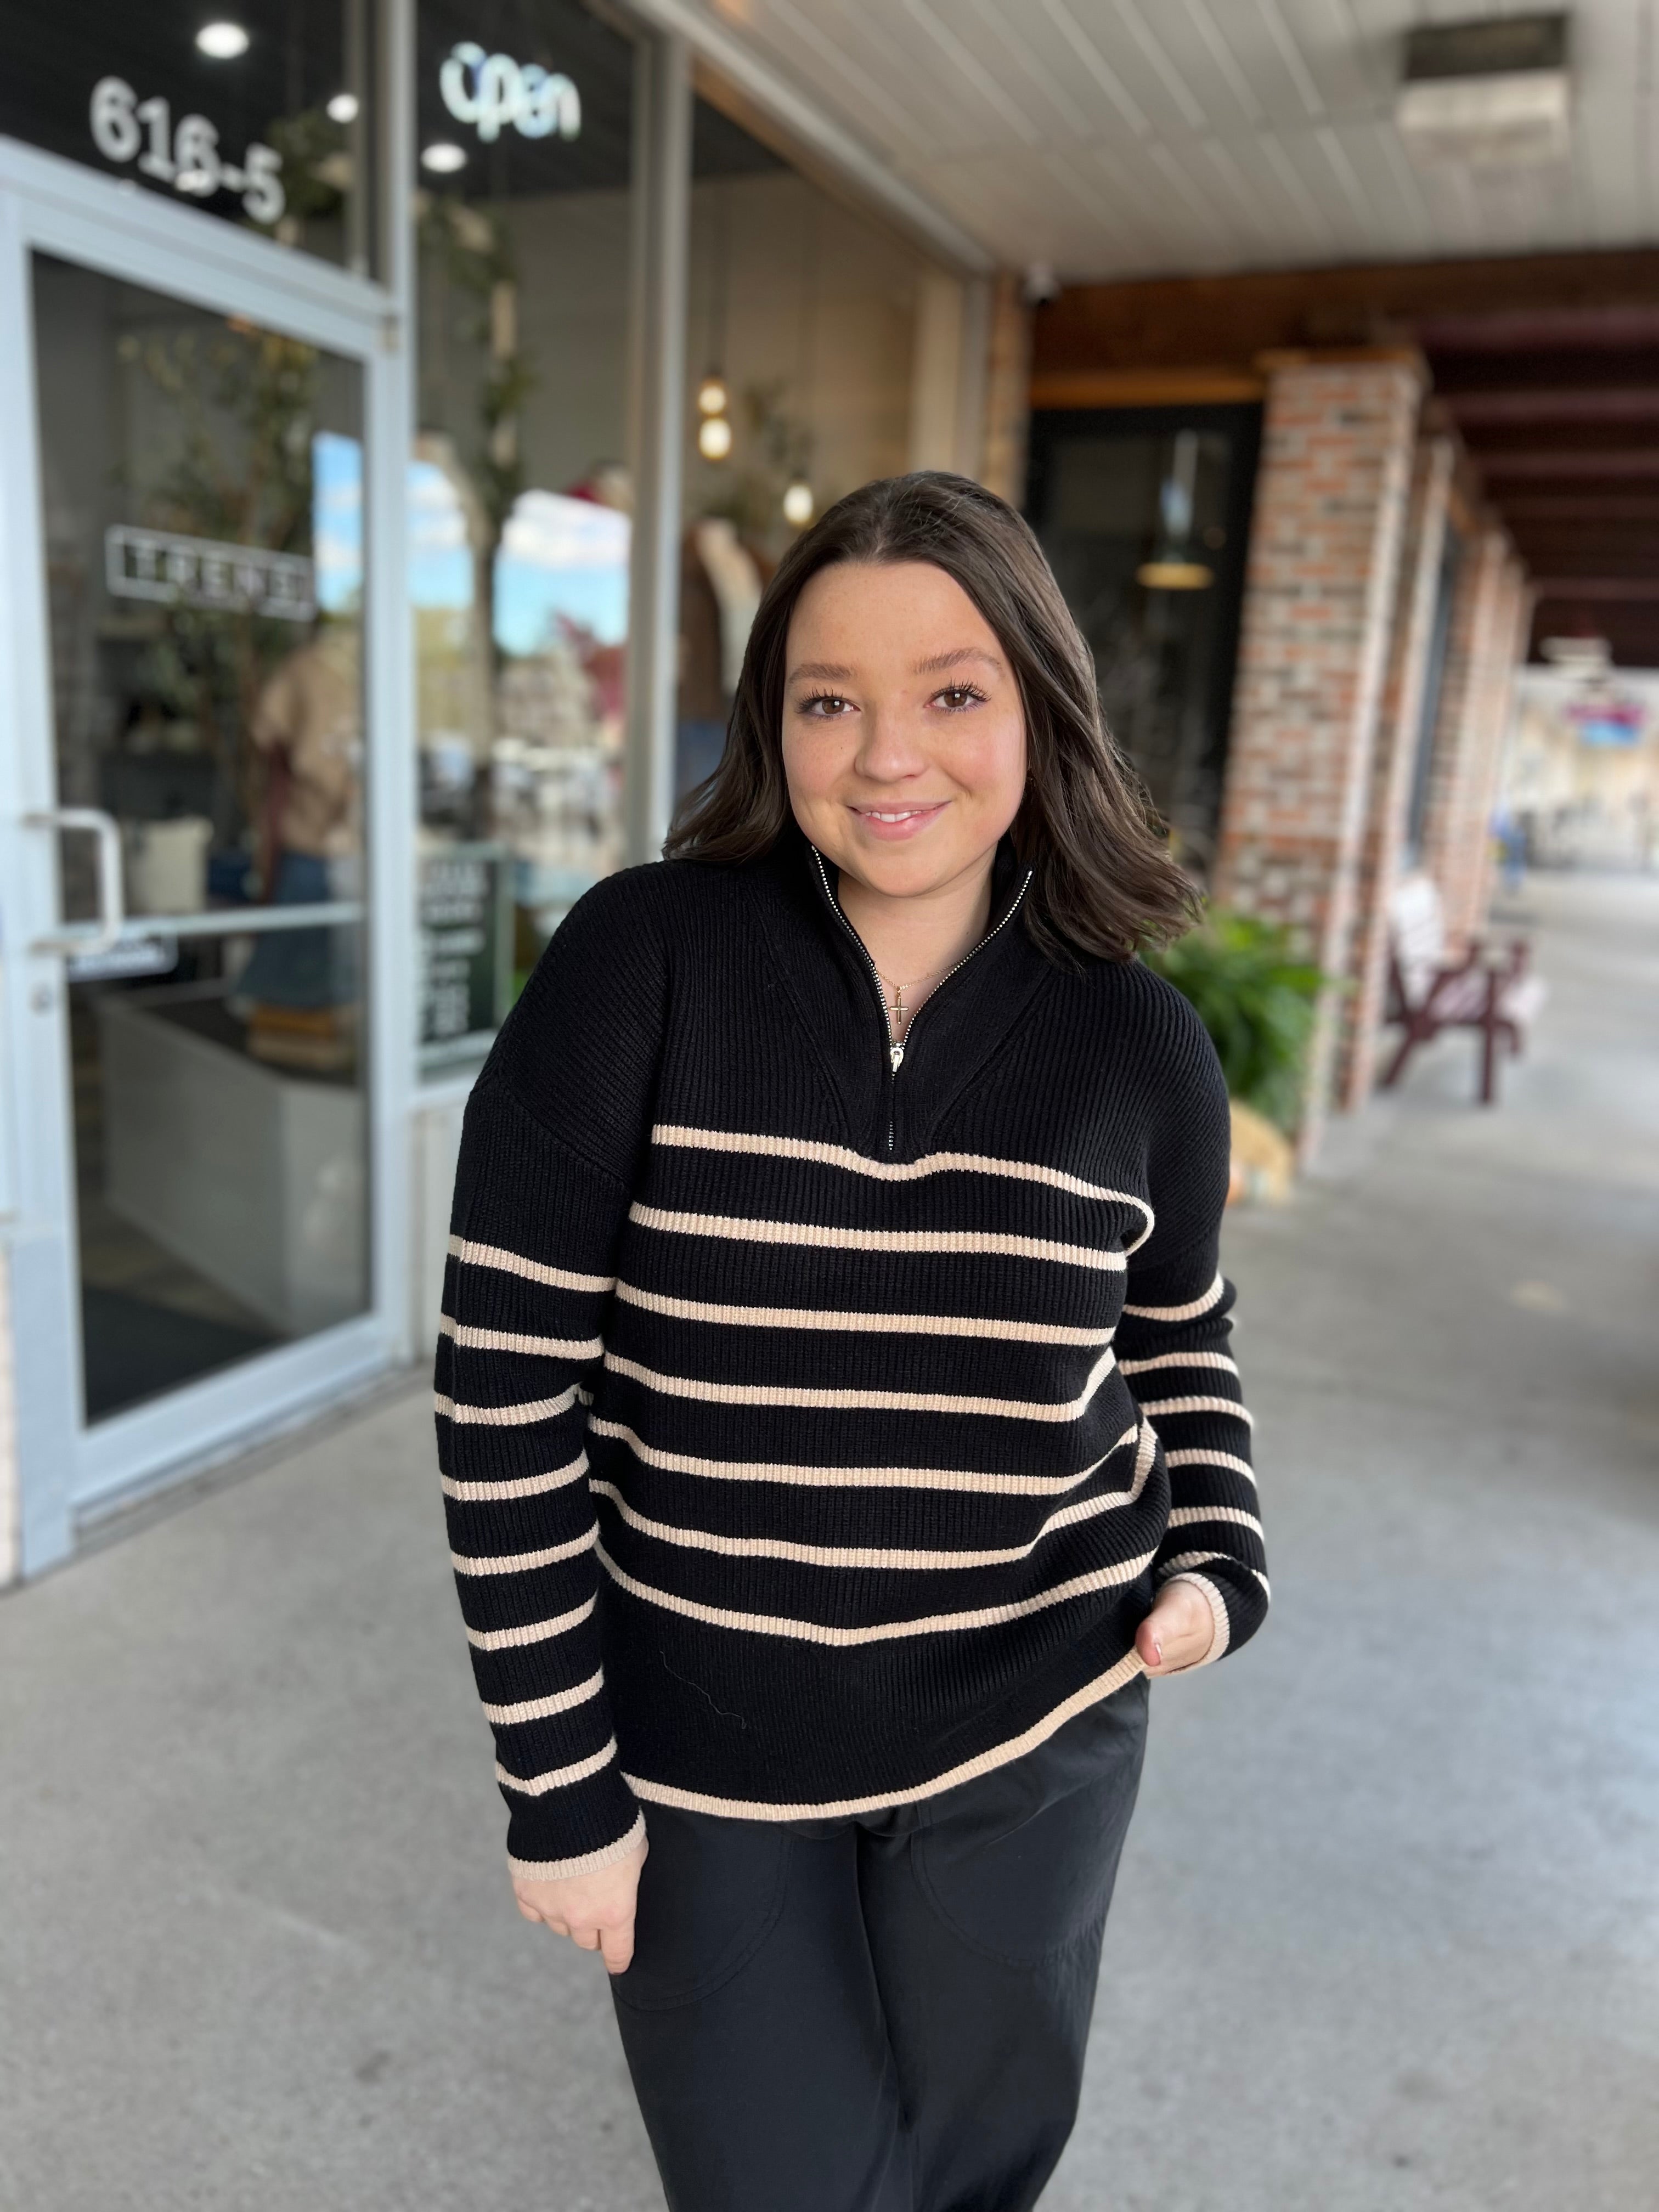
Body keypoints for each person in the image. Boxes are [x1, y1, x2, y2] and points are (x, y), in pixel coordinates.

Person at [436, 472, 1268, 2212]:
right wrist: (556, 1779)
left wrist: (1218, 1560)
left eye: (954, 695)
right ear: (773, 724)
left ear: (1040, 709)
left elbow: (1182, 1345)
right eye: (832, 701)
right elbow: (504, 1391)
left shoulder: (1140, 1047)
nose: (890, 756)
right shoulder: (642, 961)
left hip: (1038, 1722)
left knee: (973, 2179)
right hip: (705, 1738)